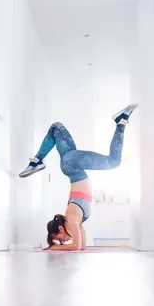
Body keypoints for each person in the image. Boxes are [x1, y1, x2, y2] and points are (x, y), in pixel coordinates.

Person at [19, 103, 138, 251]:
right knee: (56, 127)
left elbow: (74, 247)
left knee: (113, 162)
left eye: (60, 240)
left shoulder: (71, 217)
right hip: (71, 165)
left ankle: (121, 122)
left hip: (72, 166)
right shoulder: (77, 222)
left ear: (61, 229)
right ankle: (36, 161)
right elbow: (81, 246)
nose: (64, 242)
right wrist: (59, 245)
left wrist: (55, 248)